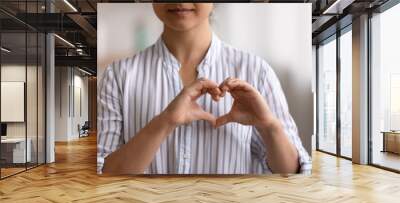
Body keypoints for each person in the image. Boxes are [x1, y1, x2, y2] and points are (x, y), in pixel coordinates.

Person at [97, 3, 312, 175]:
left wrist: (269, 126)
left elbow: (291, 172)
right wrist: (165, 121)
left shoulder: (257, 71)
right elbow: (103, 173)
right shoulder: (118, 76)